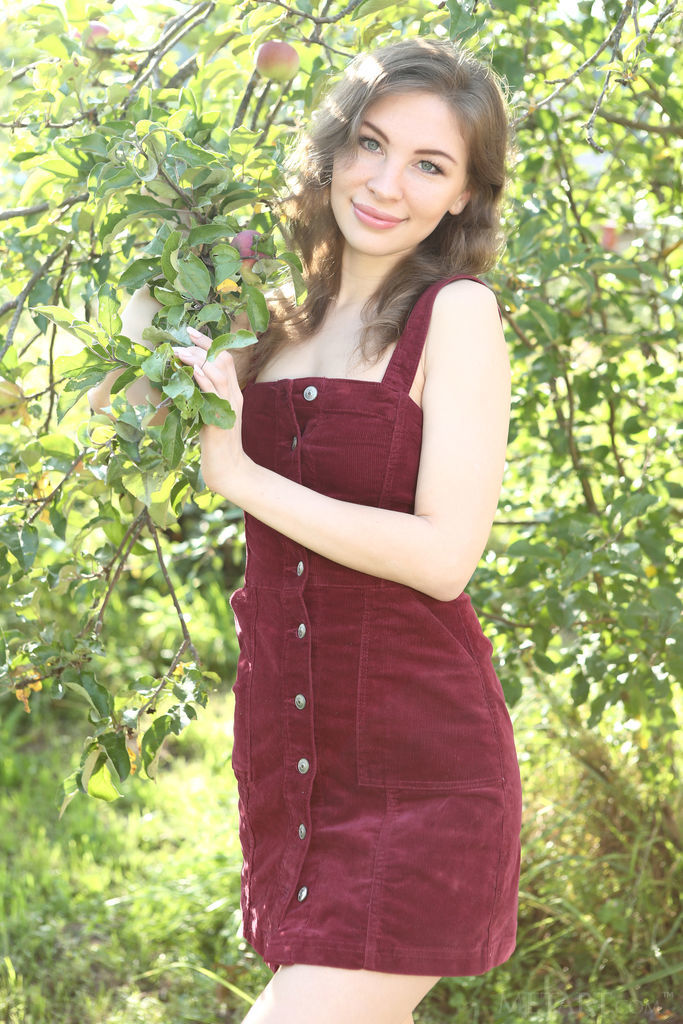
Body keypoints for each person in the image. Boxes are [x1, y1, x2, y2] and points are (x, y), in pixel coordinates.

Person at [90, 37, 522, 1024]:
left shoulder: (454, 315)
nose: (385, 183)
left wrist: (242, 476)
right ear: (332, 148)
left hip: (423, 765)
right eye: (369, 143)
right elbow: (122, 407)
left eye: (429, 164)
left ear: (464, 193)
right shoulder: (272, 316)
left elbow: (443, 557)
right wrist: (163, 276)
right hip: (295, 753)